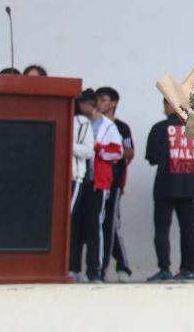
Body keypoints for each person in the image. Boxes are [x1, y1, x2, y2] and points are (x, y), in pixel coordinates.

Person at [145, 99, 194, 282]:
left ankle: (164, 269)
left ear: (169, 105)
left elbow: (152, 157)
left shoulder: (159, 128)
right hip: (189, 186)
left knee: (162, 228)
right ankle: (189, 270)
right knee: (188, 228)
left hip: (165, 185)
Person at [72, 88, 124, 282]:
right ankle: (73, 268)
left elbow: (118, 152)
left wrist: (97, 148)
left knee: (95, 225)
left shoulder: (107, 126)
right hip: (80, 180)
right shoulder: (78, 121)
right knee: (76, 225)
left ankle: (95, 270)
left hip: (98, 182)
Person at [95, 86, 134, 281]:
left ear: (113, 103)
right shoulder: (92, 124)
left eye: (103, 100)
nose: (99, 104)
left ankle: (117, 266)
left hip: (113, 182)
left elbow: (129, 152)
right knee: (97, 223)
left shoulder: (121, 127)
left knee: (111, 224)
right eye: (97, 100)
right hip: (94, 182)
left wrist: (108, 149)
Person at [68, 94, 97, 282]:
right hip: (56, 179)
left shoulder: (82, 122)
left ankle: (73, 268)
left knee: (69, 222)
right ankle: (70, 266)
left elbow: (88, 151)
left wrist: (67, 144)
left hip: (75, 178)